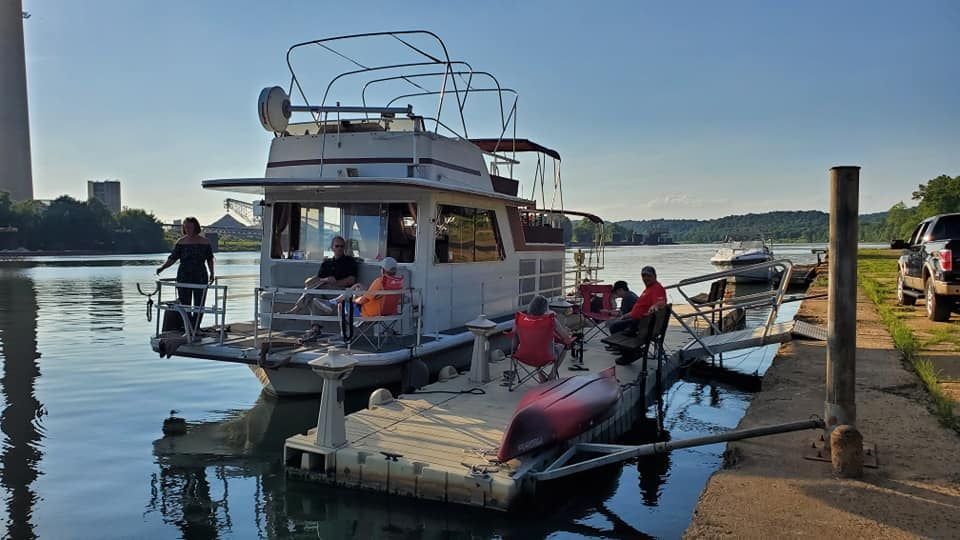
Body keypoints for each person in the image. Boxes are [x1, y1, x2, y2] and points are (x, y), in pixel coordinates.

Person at [156, 217, 215, 333]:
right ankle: (188, 326)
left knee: (199, 303)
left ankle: (196, 326)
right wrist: (162, 268)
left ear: (195, 227)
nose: (188, 229)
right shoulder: (181, 242)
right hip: (184, 275)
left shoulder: (204, 242)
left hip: (200, 275)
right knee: (185, 303)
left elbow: (210, 259)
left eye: (190, 227)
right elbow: (172, 258)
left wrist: (212, 273)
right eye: (185, 227)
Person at [612, 266, 667, 365]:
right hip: (640, 321)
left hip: (642, 325)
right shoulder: (649, 289)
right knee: (619, 324)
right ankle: (628, 350)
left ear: (655, 276)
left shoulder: (656, 289)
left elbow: (661, 302)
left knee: (614, 327)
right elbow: (638, 309)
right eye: (643, 276)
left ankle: (630, 354)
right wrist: (625, 316)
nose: (645, 278)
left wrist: (655, 306)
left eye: (648, 276)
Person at [513, 295, 574, 378]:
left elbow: (514, 337)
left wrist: (513, 351)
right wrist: (567, 333)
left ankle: (539, 373)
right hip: (546, 356)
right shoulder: (550, 320)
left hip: (523, 356)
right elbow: (566, 338)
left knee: (534, 346)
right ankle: (552, 374)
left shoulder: (520, 320)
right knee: (564, 347)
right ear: (545, 308)